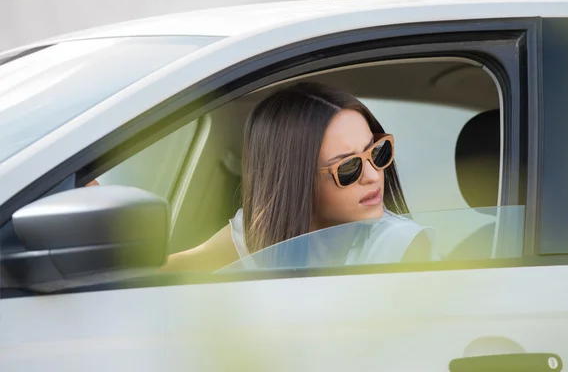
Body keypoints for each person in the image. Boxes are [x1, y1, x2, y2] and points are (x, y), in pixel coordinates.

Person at [162, 82, 437, 272]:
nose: (372, 175)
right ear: (298, 179)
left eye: (377, 153)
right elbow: (182, 267)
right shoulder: (264, 232)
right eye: (348, 168)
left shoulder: (401, 245)